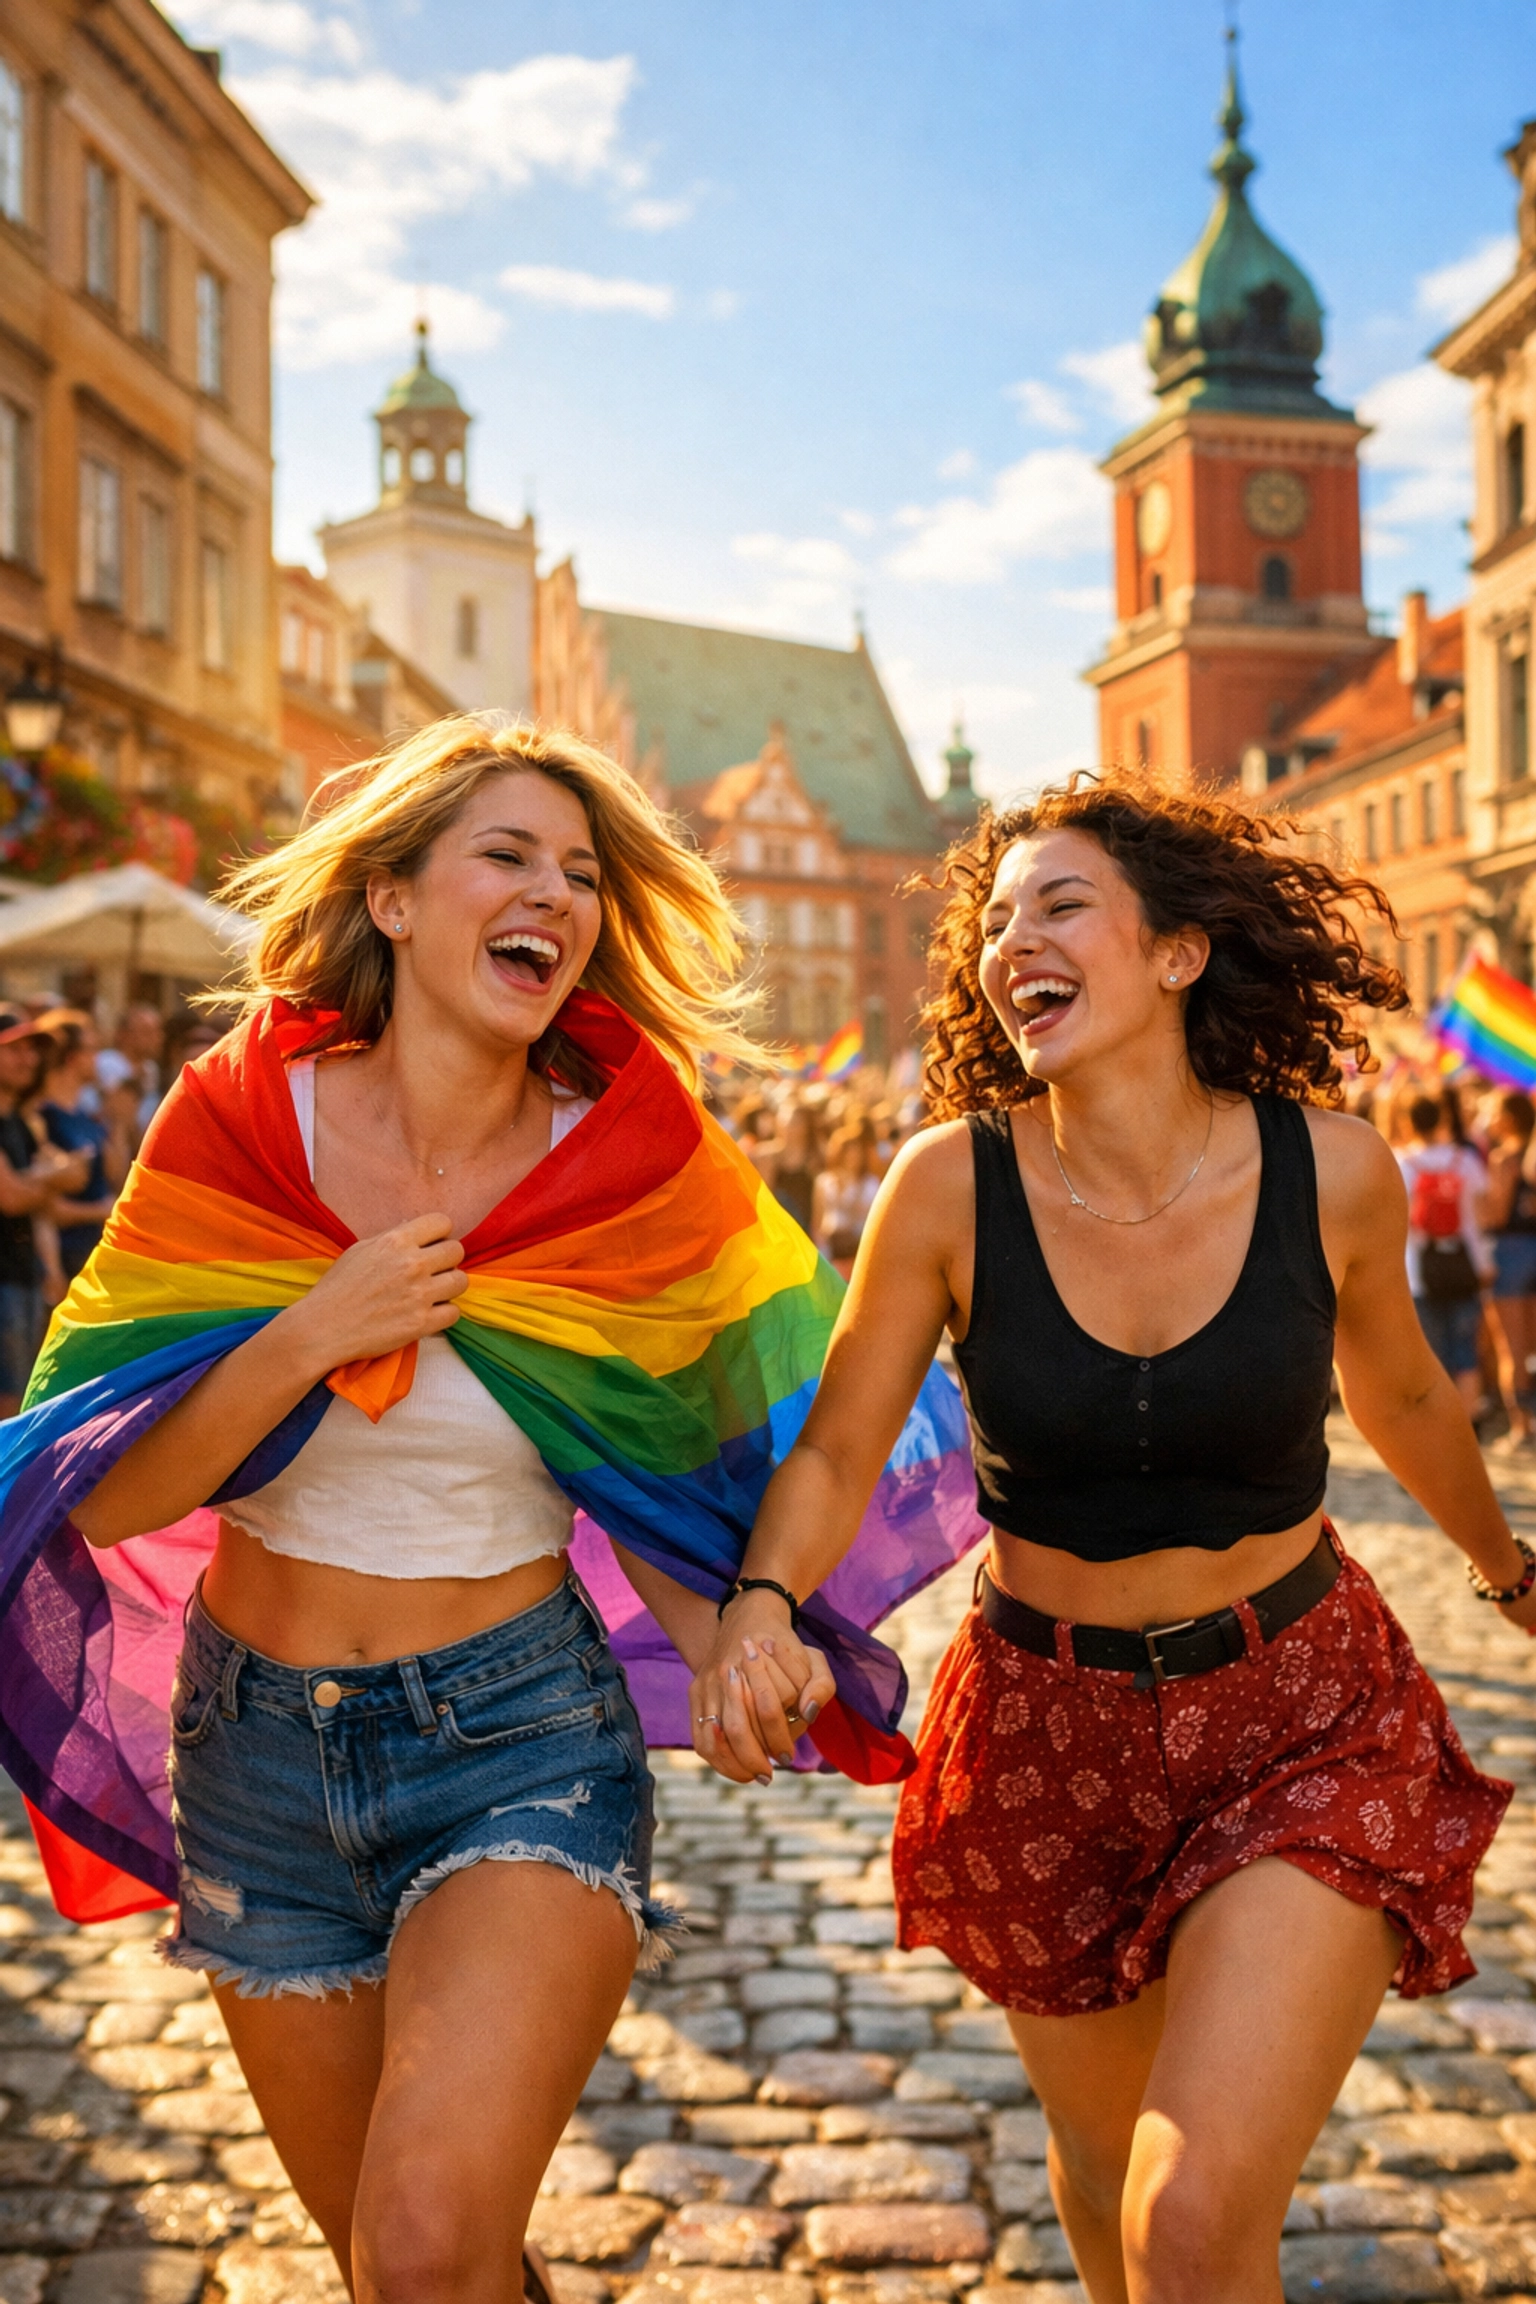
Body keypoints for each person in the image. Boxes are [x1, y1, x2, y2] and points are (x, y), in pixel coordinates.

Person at [9, 718, 981, 2304]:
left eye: (584, 874)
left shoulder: (630, 1159)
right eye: (509, 857)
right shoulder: (243, 1116)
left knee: (424, 2239)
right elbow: (114, 1490)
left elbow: (670, 1479)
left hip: (519, 1738)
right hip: (253, 1766)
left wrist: (745, 1634)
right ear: (391, 898)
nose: (560, 896)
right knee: (406, 2274)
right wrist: (312, 1332)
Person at [687, 775, 1532, 2304]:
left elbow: (1403, 1392)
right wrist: (760, 1603)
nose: (1017, 944)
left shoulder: (1333, 1168)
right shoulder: (946, 1183)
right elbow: (835, 1449)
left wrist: (1512, 1569)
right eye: (996, 924)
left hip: (1300, 1714)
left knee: (1190, 2218)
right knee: (1099, 2178)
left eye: (1060, 906)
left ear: (1179, 954)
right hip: (1042, 1732)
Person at [0, 1011, 89, 1410]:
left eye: (32, 1050)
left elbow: (74, 1179)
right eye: (13, 1048)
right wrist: (52, 1174)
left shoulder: (19, 1123)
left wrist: (44, 1177)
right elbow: (13, 1197)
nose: (28, 1059)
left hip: (23, 1277)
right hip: (4, 1281)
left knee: (19, 1399)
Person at [1398, 1089, 1491, 1420]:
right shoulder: (1465, 1161)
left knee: (1430, 1355)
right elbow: (1477, 1221)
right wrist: (1484, 1264)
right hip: (1464, 1266)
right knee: (1465, 1351)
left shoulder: (1402, 1164)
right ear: (1442, 1119)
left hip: (1418, 1271)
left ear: (1407, 1123)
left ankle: (1438, 1426)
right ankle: (1468, 1425)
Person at [34, 1009, 132, 1281]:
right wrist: (101, 1211)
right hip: (62, 1256)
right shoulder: (45, 1117)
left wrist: (118, 1123)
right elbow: (45, 1205)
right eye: (92, 1050)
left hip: (91, 1252)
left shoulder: (87, 1116)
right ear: (71, 1057)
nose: (97, 1059)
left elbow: (114, 1176)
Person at [1481, 1089, 1536, 1446]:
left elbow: (1497, 1213)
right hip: (1533, 1247)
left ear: (1509, 1118)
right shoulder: (1531, 1155)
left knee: (1510, 1348)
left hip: (1510, 1253)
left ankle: (1521, 1428)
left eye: (1494, 1112)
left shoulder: (1504, 1159)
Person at [812, 1116, 880, 1279]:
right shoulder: (825, 1181)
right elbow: (817, 1218)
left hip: (859, 1249)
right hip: (831, 1249)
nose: (852, 1158)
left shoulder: (870, 1183)